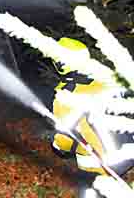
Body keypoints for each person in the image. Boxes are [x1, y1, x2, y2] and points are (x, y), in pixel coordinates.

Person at [52, 37, 134, 196]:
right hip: (126, 153)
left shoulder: (64, 96)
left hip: (99, 165)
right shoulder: (106, 80)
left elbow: (65, 138)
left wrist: (57, 145)